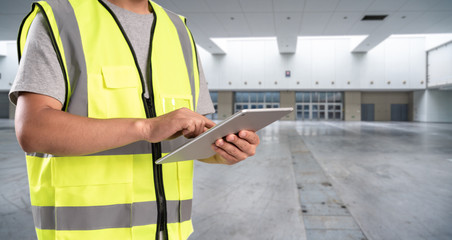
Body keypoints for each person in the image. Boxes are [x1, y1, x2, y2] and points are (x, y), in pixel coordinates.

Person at [9, 0, 260, 239]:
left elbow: (190, 133)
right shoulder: (60, 20)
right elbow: (33, 130)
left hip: (170, 233)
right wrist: (146, 127)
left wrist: (220, 150)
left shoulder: (178, 30)